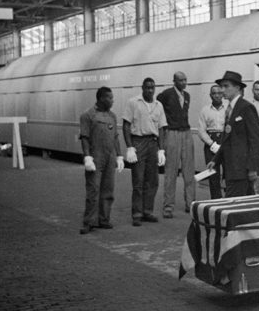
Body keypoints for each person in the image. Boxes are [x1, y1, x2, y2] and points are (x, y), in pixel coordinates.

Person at [207, 70, 259, 198]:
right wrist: (215, 160)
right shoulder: (230, 109)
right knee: (243, 206)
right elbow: (227, 140)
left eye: (226, 86)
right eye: (222, 86)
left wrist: (253, 168)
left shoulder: (246, 107)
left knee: (233, 205)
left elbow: (256, 140)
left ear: (237, 88)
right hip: (232, 168)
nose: (222, 90)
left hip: (241, 170)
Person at [79, 86, 124, 234]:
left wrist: (119, 155)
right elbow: (84, 137)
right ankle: (88, 222)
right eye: (109, 98)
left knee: (108, 190)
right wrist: (87, 157)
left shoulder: (112, 116)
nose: (112, 100)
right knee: (93, 190)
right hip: (95, 157)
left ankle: (104, 219)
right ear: (101, 98)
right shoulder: (88, 115)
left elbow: (116, 137)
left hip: (109, 157)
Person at [122, 77, 167, 227]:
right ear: (142, 88)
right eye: (147, 87)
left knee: (152, 180)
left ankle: (148, 211)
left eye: (152, 87)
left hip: (153, 143)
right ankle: (137, 214)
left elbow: (161, 128)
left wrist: (161, 149)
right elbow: (126, 125)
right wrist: (130, 147)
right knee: (138, 180)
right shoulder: (133, 103)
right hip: (138, 142)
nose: (150, 90)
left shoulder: (158, 105)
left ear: (155, 89)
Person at [157, 71, 195, 218]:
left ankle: (190, 204)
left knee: (189, 171)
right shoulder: (166, 94)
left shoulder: (187, 96)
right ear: (174, 81)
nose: (184, 83)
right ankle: (168, 207)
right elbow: (158, 106)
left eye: (185, 80)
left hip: (186, 132)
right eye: (181, 80)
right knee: (171, 171)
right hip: (172, 133)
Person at [196, 84, 227, 199]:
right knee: (213, 173)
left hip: (225, 140)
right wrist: (211, 144)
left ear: (223, 95)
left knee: (228, 171)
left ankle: (229, 200)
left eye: (219, 93)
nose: (217, 95)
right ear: (210, 95)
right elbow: (201, 130)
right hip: (210, 141)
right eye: (214, 93)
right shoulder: (205, 110)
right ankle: (216, 200)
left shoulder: (228, 108)